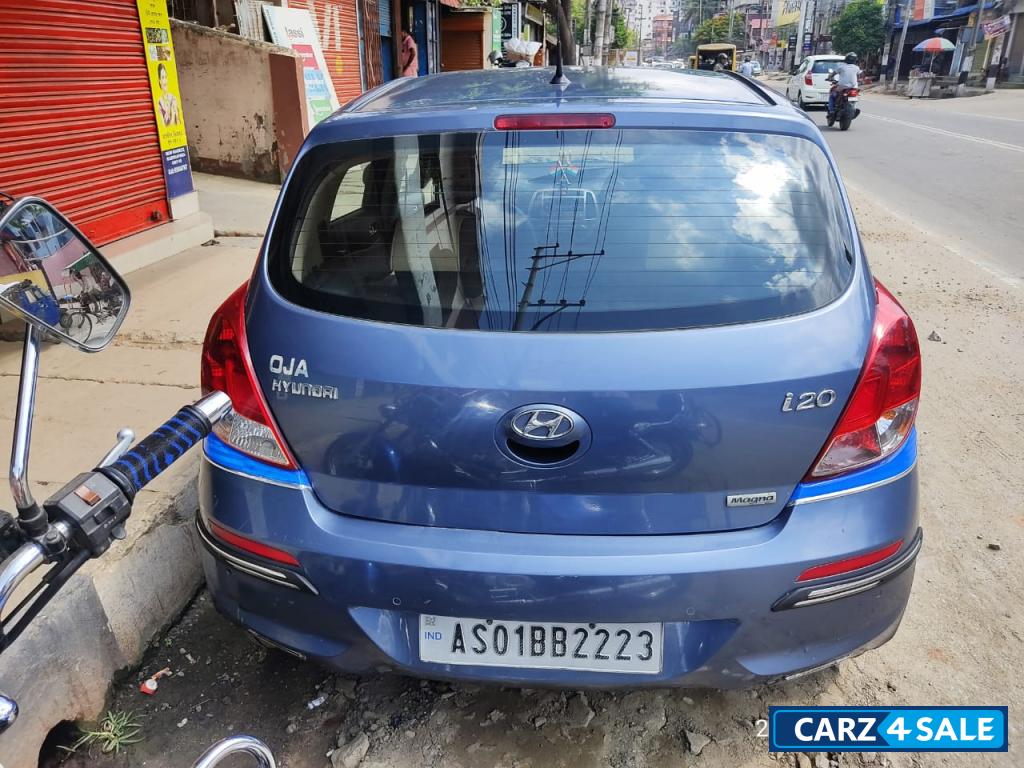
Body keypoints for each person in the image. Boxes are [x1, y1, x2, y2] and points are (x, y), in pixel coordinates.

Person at [828, 51, 861, 116]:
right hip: (854, 88)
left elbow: (833, 74)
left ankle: (831, 110)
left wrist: (829, 77)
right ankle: (853, 109)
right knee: (854, 97)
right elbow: (860, 75)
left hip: (842, 87)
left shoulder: (841, 67)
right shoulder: (857, 68)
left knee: (832, 95)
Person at [156, 62, 180, 127]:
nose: (165, 81)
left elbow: (179, 124)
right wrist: (172, 115)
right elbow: (164, 129)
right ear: (160, 81)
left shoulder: (173, 98)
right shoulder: (159, 104)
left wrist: (176, 115)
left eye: (166, 77)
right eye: (163, 77)